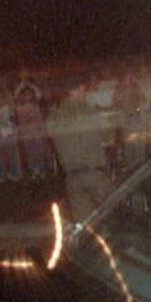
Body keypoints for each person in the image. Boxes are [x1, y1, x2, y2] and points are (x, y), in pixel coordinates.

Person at [45, 83, 115, 222]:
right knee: (112, 218)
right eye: (83, 90)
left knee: (85, 226)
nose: (85, 94)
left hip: (73, 179)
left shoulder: (52, 118)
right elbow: (108, 137)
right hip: (96, 175)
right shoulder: (89, 112)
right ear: (73, 91)